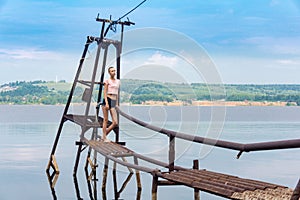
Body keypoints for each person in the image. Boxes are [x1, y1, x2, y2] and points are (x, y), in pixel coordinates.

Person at [101, 66, 120, 142]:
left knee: (115, 122)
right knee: (105, 119)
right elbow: (105, 92)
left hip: (114, 101)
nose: (114, 72)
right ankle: (104, 137)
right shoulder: (107, 81)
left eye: (114, 71)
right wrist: (106, 103)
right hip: (107, 100)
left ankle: (104, 135)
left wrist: (117, 103)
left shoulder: (118, 81)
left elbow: (117, 93)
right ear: (109, 72)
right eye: (112, 71)